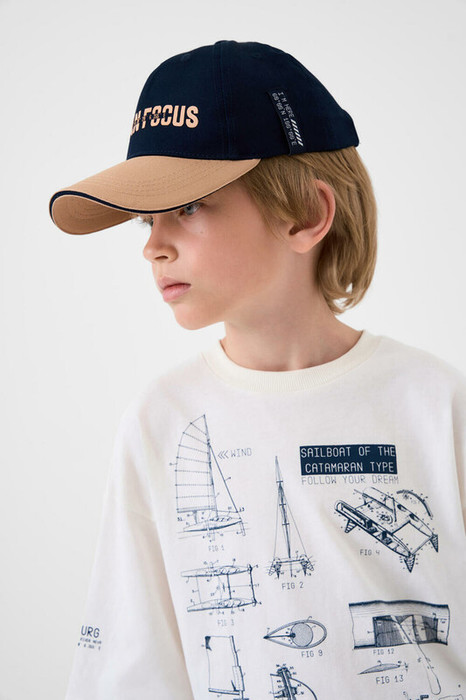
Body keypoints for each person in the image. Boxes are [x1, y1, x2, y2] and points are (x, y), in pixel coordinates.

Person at [49, 40, 466, 700]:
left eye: (188, 207)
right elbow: (132, 667)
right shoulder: (161, 422)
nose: (153, 246)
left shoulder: (435, 405)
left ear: (305, 214)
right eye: (147, 220)